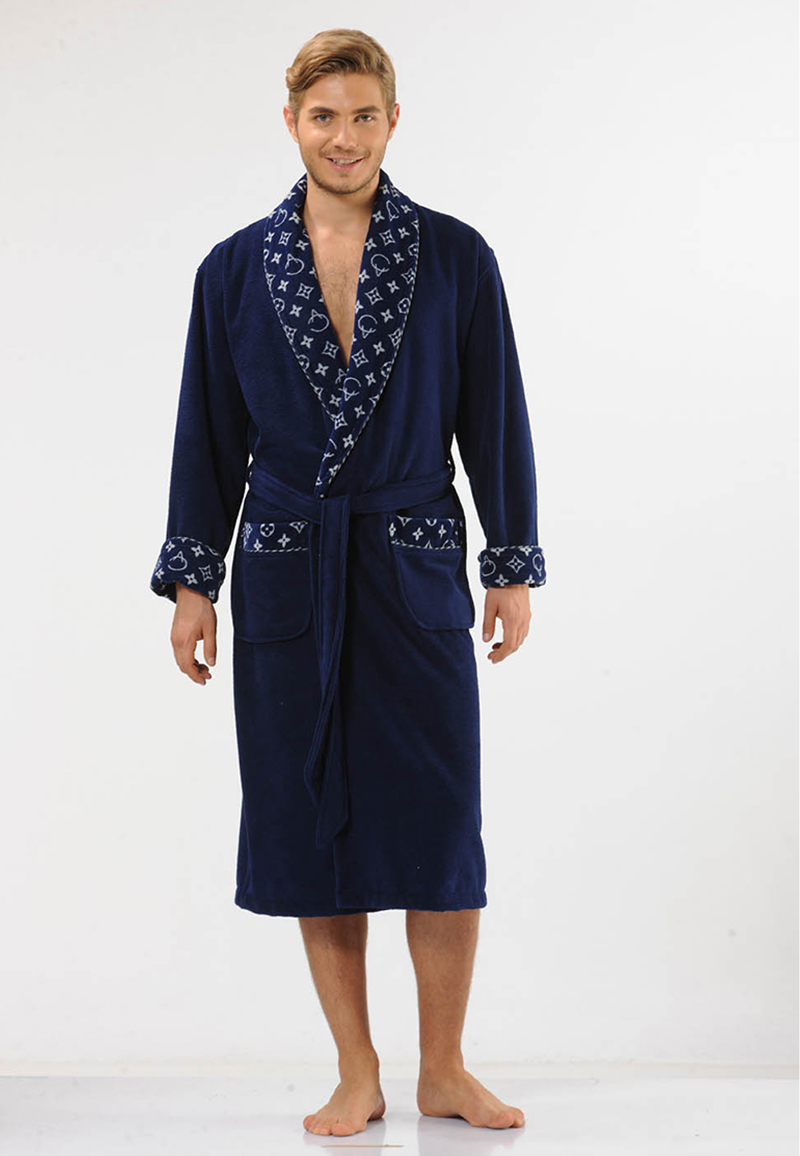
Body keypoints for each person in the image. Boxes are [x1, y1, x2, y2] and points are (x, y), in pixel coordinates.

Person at [150, 27, 546, 1137]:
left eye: (363, 115)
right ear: (292, 123)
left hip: (412, 561)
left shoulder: (456, 257)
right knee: (309, 820)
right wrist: (194, 584)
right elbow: (206, 437)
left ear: (392, 121)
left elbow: (495, 414)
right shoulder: (234, 270)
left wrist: (509, 561)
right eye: (323, 116)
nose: (344, 136)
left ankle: (444, 1068)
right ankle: (356, 1069)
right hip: (288, 567)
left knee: (439, 822)